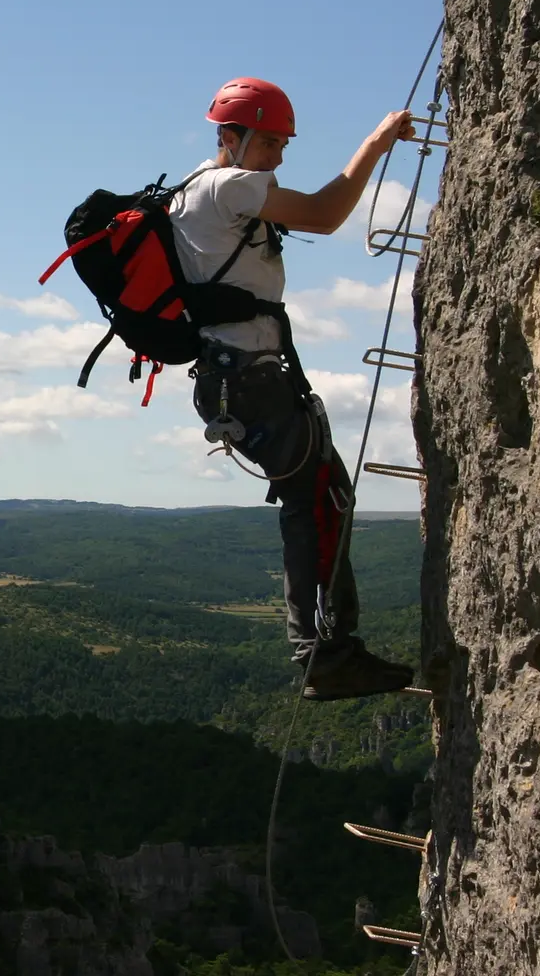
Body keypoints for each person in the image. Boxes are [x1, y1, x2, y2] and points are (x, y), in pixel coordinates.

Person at [171, 76, 417, 700]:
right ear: (232, 136)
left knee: (316, 498)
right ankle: (325, 652)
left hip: (230, 380)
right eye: (272, 142)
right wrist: (376, 142)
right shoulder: (230, 187)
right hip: (254, 383)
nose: (280, 156)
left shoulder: (191, 193)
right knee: (322, 500)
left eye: (283, 144)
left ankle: (324, 648)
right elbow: (329, 214)